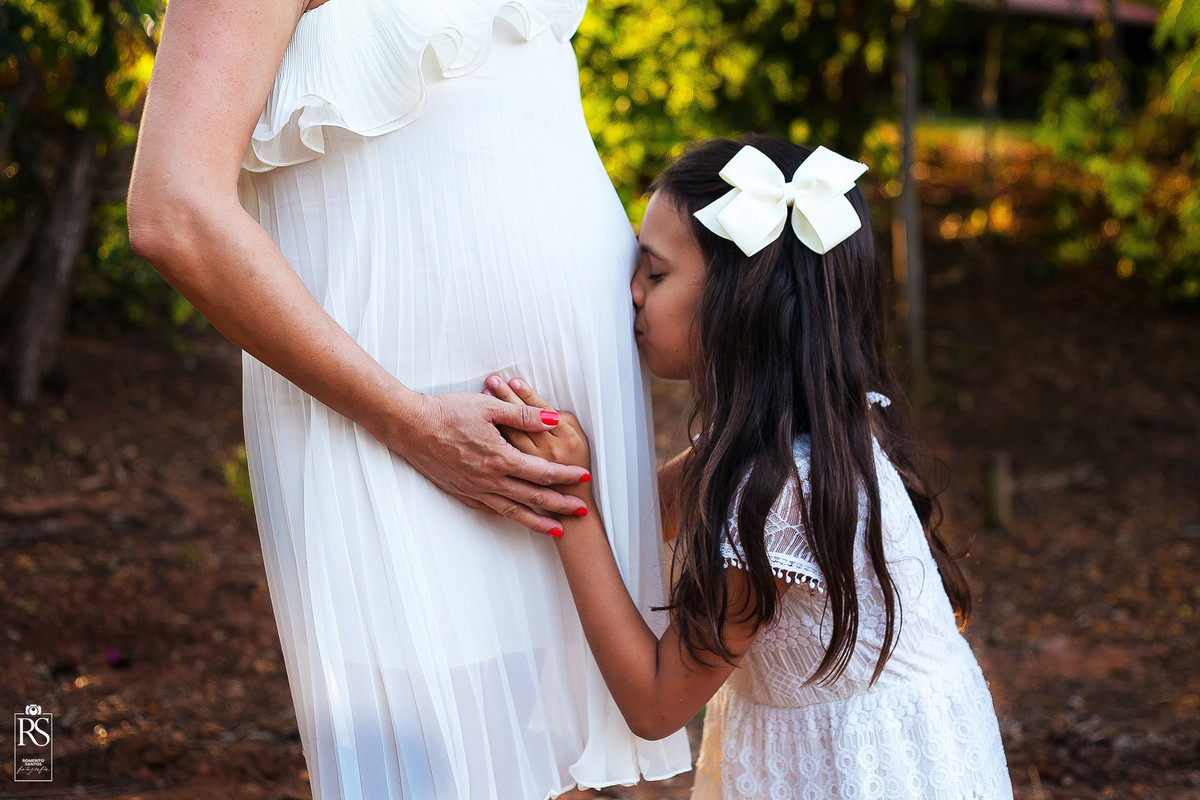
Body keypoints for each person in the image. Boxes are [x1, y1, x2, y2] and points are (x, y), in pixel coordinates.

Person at [125, 0, 692, 797]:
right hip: (396, 424)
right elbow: (172, 211)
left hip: (545, 423)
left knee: (556, 768)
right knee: (439, 769)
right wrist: (409, 422)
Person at [484, 134, 1015, 799]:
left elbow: (655, 706)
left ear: (742, 299)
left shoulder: (781, 492)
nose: (631, 294)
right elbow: (655, 513)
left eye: (655, 273)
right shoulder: (799, 432)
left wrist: (572, 504)